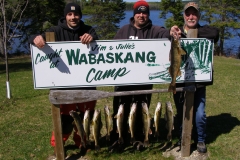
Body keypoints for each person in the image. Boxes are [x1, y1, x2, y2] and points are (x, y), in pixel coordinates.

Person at [109, 0, 181, 151]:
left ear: (148, 15)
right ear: (134, 15)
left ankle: (140, 139)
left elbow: (165, 33)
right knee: (120, 110)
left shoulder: (154, 30)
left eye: (144, 13)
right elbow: (111, 50)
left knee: (142, 111)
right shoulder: (123, 31)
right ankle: (118, 139)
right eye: (138, 13)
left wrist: (171, 31)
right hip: (124, 80)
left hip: (144, 81)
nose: (141, 15)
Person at [28, 2, 99, 155]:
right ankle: (58, 144)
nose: (73, 17)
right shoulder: (55, 31)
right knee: (66, 120)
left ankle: (82, 143)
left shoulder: (88, 29)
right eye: (70, 14)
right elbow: (33, 38)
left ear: (80, 15)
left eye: (76, 14)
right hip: (64, 86)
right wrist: (36, 38)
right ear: (65, 16)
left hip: (87, 85)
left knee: (85, 118)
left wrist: (92, 36)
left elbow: (96, 38)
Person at [173, 2, 219, 153]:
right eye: (188, 14)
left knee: (199, 114)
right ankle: (182, 138)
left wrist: (190, 34)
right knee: (181, 113)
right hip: (181, 82)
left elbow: (215, 33)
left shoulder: (205, 30)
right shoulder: (177, 33)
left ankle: (200, 140)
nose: (191, 17)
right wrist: (175, 34)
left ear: (199, 16)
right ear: (184, 16)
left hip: (199, 83)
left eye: (194, 14)